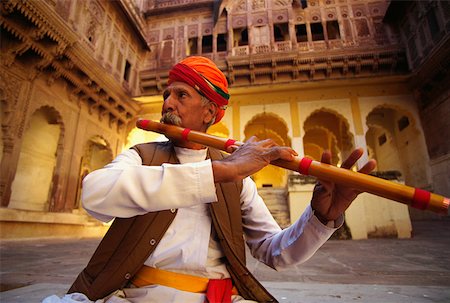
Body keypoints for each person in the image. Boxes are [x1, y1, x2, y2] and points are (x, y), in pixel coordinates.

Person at [43, 56, 375, 303]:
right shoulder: (140, 157)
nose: (167, 103)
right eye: (166, 94)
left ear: (209, 113)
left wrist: (322, 216)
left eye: (181, 95)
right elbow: (95, 194)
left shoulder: (238, 181)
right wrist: (221, 171)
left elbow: (276, 252)